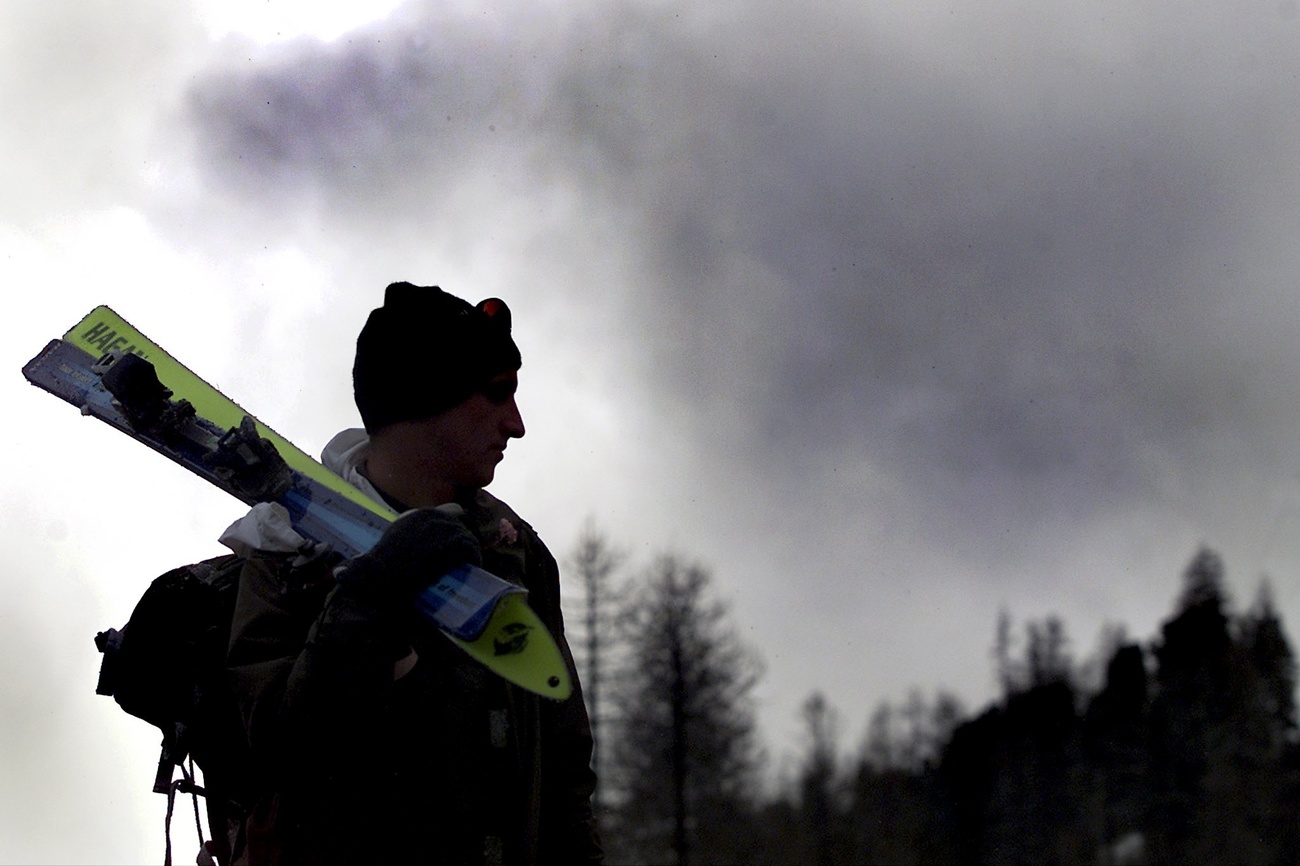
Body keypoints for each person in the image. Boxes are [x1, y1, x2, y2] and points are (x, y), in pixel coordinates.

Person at [220, 282, 603, 865]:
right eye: (497, 394)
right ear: (427, 400)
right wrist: (371, 594)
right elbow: (280, 751)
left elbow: (566, 773)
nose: (517, 424)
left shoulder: (514, 551)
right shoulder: (285, 548)